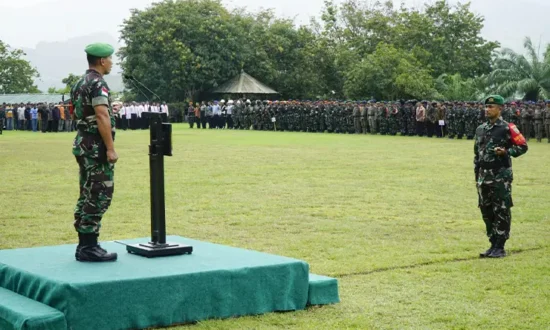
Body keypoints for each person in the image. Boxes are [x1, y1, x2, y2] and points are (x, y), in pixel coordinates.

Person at [71, 43, 118, 262]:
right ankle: (89, 247)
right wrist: (110, 148)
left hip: (82, 144)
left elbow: (81, 112)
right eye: (110, 59)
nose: (111, 63)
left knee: (87, 190)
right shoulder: (98, 83)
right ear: (101, 61)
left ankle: (86, 244)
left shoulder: (81, 82)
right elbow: (101, 116)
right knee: (99, 193)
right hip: (96, 147)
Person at [474, 95, 528, 258]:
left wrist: (507, 152)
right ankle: (492, 242)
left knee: (501, 209)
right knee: (486, 210)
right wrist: (477, 175)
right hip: (484, 176)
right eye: (486, 107)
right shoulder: (480, 129)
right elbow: (477, 153)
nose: (487, 109)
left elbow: (523, 146)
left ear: (500, 109)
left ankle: (500, 245)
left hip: (500, 176)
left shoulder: (507, 127)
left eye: (491, 107)